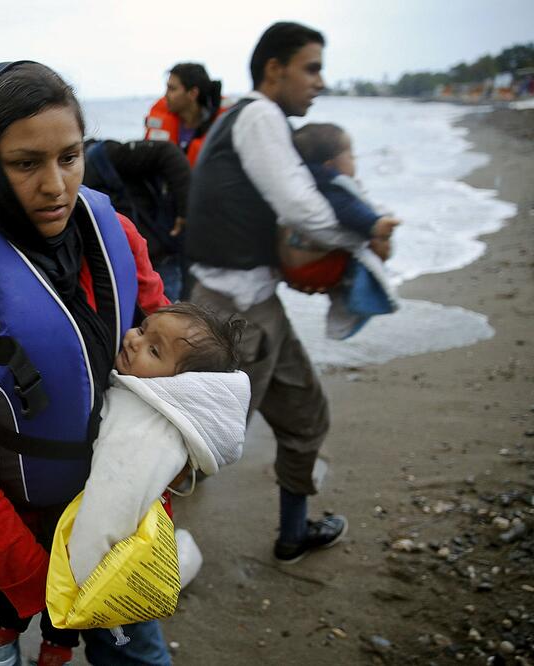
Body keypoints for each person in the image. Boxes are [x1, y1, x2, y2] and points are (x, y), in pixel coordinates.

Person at [0, 61, 171, 666]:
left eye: (69, 157)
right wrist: (46, 589)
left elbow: (168, 360)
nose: (56, 185)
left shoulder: (116, 235)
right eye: (26, 164)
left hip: (107, 513)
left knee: (139, 657)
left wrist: (157, 490)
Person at [186, 22, 354, 565]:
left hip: (254, 304)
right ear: (274, 69)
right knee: (193, 452)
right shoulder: (259, 114)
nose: (320, 81)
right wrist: (368, 233)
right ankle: (133, 562)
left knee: (306, 413)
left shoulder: (248, 117)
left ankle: (292, 533)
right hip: (236, 312)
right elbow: (301, 208)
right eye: (311, 68)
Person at [66, 303, 249, 585]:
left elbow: (110, 508)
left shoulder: (143, 430)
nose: (133, 340)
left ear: (180, 383)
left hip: (97, 576)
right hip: (119, 557)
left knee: (128, 628)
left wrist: (77, 576)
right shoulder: (150, 402)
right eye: (142, 329)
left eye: (154, 350)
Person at [281, 123, 400, 339]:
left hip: (298, 267)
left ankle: (344, 307)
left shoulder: (300, 184)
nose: (355, 161)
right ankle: (350, 310)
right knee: (363, 263)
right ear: (330, 165)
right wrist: (374, 225)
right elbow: (348, 209)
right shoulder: (332, 184)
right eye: (351, 156)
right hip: (318, 269)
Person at [82, 138, 190, 300]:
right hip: (119, 266)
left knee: (166, 318)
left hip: (158, 261)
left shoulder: (106, 156)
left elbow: (167, 151)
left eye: (69, 158)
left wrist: (185, 210)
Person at [144, 63, 223, 166]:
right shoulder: (164, 121)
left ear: (193, 93)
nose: (166, 95)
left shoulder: (220, 130)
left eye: (172, 89)